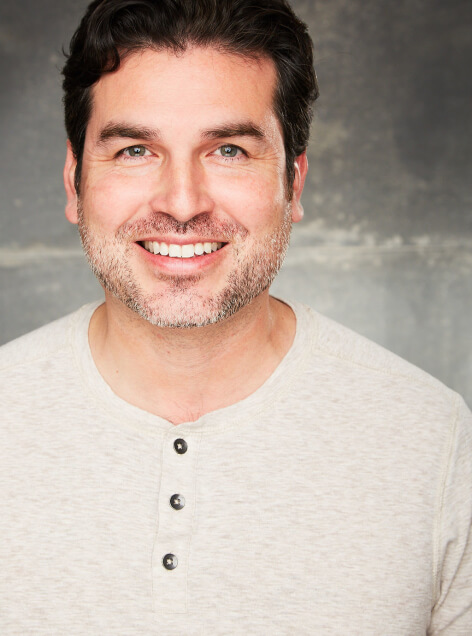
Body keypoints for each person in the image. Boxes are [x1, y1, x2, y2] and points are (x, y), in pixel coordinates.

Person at [0, 0, 471, 633]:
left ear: (293, 184)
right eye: (136, 149)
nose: (183, 203)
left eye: (228, 150)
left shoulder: (435, 445)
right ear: (73, 180)